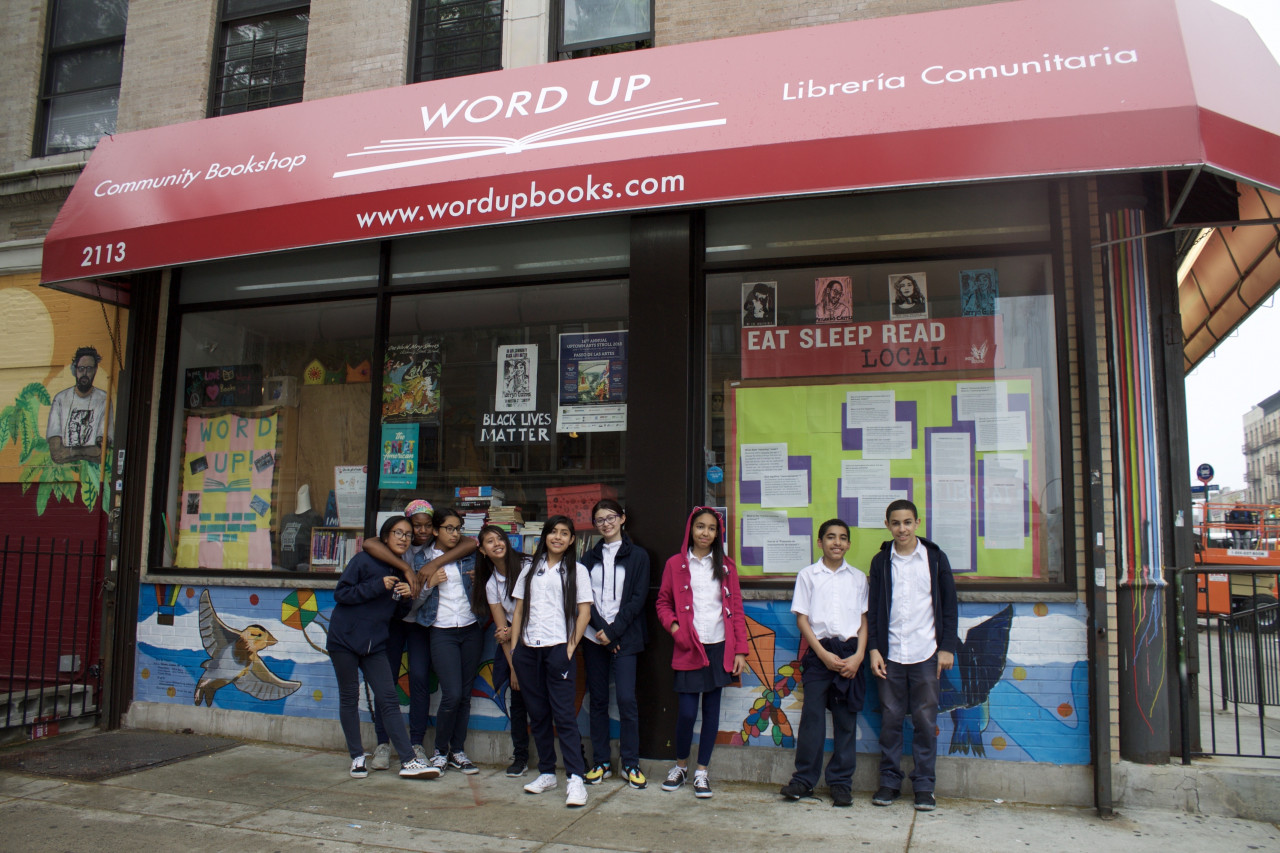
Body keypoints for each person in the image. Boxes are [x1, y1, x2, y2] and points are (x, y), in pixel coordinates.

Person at [362, 499, 476, 770]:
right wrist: (405, 569)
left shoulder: (433, 549)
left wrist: (432, 566)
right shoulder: (398, 544)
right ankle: (382, 743)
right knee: (386, 680)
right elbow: (368, 543)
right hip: (394, 620)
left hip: (421, 624)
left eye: (427, 526)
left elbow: (471, 542)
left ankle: (415, 743)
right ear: (405, 526)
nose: (422, 531)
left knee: (420, 678)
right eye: (416, 526)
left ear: (435, 529)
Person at [325, 515, 438, 780]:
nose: (404, 538)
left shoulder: (400, 570)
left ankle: (409, 761)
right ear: (385, 536)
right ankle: (356, 757)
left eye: (408, 535)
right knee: (349, 697)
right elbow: (341, 594)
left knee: (388, 698)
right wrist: (377, 585)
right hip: (344, 640)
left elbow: (397, 614)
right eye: (398, 533)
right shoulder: (364, 561)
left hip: (375, 644)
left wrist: (406, 598)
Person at [866, 499, 957, 812]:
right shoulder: (881, 562)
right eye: (895, 522)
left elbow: (949, 604)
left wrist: (946, 647)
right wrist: (874, 648)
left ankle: (923, 786)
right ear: (887, 525)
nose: (901, 528)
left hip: (926, 653)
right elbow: (874, 610)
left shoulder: (933, 558)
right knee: (890, 720)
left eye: (907, 522)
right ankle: (889, 782)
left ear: (917, 522)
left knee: (924, 720)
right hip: (891, 654)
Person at [655, 507, 749, 799]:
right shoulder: (675, 564)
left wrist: (741, 651)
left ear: (717, 534)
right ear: (690, 530)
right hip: (689, 647)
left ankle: (702, 772)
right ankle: (680, 765)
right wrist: (675, 630)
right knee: (685, 713)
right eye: (700, 527)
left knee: (711, 713)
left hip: (720, 647)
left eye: (711, 528)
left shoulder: (726, 566)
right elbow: (663, 602)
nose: (705, 533)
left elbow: (737, 612)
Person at [779, 519, 868, 807]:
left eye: (843, 538)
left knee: (845, 721)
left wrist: (858, 657)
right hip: (819, 654)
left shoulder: (858, 578)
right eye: (830, 537)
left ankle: (841, 783)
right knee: (813, 719)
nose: (837, 543)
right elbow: (802, 618)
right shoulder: (808, 575)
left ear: (849, 544)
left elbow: (865, 621)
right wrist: (822, 654)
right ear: (820, 542)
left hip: (850, 654)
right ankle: (803, 780)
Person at [510, 515, 593, 807]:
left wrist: (570, 648)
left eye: (564, 533)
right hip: (528, 650)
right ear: (545, 536)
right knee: (539, 715)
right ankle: (547, 772)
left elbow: (584, 612)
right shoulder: (530, 569)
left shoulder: (577, 571)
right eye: (553, 532)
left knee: (564, 716)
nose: (558, 537)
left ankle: (576, 779)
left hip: (559, 648)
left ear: (572, 540)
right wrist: (515, 650)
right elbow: (518, 611)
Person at [581, 499, 651, 789]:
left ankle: (630, 763)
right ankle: (601, 762)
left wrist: (614, 632)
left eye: (611, 517)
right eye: (600, 520)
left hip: (626, 638)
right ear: (595, 525)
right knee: (597, 701)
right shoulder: (587, 559)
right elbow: (584, 599)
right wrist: (602, 631)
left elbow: (637, 599)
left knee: (625, 699)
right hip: (594, 637)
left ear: (623, 519)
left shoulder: (638, 556)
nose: (606, 524)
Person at [414, 507, 483, 774]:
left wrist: (481, 580)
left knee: (464, 695)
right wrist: (430, 582)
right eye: (449, 529)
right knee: (452, 694)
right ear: (435, 530)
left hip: (470, 628)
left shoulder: (469, 553)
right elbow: (415, 598)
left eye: (458, 528)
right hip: (441, 630)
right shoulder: (422, 558)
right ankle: (440, 751)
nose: (455, 534)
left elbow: (484, 572)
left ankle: (459, 750)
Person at [474, 523, 532, 777]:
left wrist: (511, 631)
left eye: (500, 538)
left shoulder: (528, 566)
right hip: (516, 646)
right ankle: (520, 757)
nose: (496, 544)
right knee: (518, 700)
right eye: (490, 541)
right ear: (483, 550)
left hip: (542, 640)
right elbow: (502, 632)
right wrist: (514, 669)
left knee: (552, 702)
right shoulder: (491, 584)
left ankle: (572, 760)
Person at [47, 345, 109, 464]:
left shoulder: (103, 399)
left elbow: (102, 454)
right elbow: (56, 454)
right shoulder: (60, 399)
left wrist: (69, 452)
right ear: (75, 369)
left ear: (95, 370)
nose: (85, 373)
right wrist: (88, 451)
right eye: (81, 369)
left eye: (89, 369)